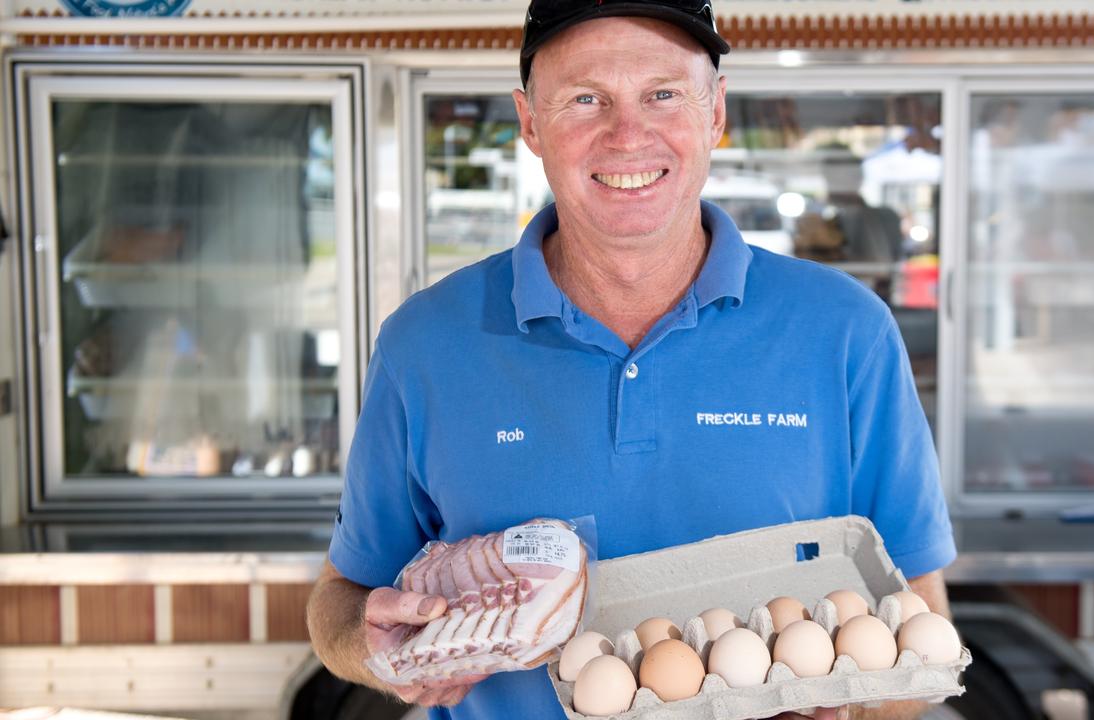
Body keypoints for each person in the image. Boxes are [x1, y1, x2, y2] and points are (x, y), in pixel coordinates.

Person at [306, 2, 955, 719]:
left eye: (664, 94)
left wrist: (853, 707)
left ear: (715, 114)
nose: (628, 135)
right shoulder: (426, 343)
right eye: (586, 99)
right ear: (530, 122)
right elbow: (340, 601)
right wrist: (372, 647)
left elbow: (919, 624)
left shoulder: (844, 332)